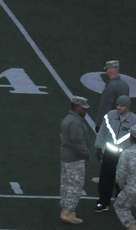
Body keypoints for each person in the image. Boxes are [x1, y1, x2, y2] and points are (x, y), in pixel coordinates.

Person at [95, 95, 135, 213]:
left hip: (125, 156)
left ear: (128, 107)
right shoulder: (109, 116)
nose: (118, 107)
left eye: (121, 106)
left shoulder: (134, 120)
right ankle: (103, 202)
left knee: (122, 180)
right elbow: (102, 132)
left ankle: (120, 201)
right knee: (105, 179)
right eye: (117, 105)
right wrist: (98, 147)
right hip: (109, 154)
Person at [60, 95, 91, 224]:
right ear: (76, 107)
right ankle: (67, 212)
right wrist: (86, 153)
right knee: (75, 185)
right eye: (83, 108)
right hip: (75, 158)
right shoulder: (75, 122)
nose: (86, 111)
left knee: (66, 183)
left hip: (67, 156)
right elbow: (78, 142)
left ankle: (65, 207)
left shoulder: (68, 119)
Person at [114, 126, 136, 230]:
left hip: (132, 189)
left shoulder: (127, 154)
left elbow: (120, 176)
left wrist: (124, 188)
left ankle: (132, 226)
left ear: (131, 138)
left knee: (120, 206)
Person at [98, 60, 130, 130]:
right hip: (122, 123)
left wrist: (99, 124)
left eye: (107, 69)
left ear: (110, 71)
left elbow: (105, 107)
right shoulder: (125, 84)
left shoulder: (110, 87)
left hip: (110, 124)